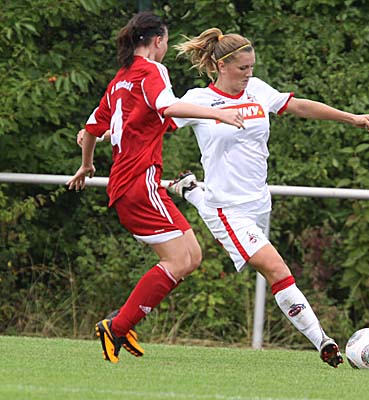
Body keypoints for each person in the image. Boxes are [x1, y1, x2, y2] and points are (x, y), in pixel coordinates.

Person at [166, 28, 369, 368]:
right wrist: (103, 134)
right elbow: (154, 122)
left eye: (251, 67)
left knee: (273, 270)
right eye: (242, 68)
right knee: (276, 269)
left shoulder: (258, 90)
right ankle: (322, 340)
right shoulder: (199, 101)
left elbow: (300, 106)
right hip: (228, 210)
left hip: (259, 203)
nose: (249, 74)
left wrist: (350, 117)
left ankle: (190, 190)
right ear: (221, 66)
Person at [66, 13, 244, 364]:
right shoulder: (152, 71)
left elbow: (90, 129)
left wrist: (87, 165)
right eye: (165, 41)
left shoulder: (120, 80)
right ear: (158, 40)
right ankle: (117, 326)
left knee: (191, 256)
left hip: (132, 185)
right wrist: (219, 114)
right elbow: (166, 106)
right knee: (178, 260)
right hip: (140, 183)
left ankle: (123, 321)